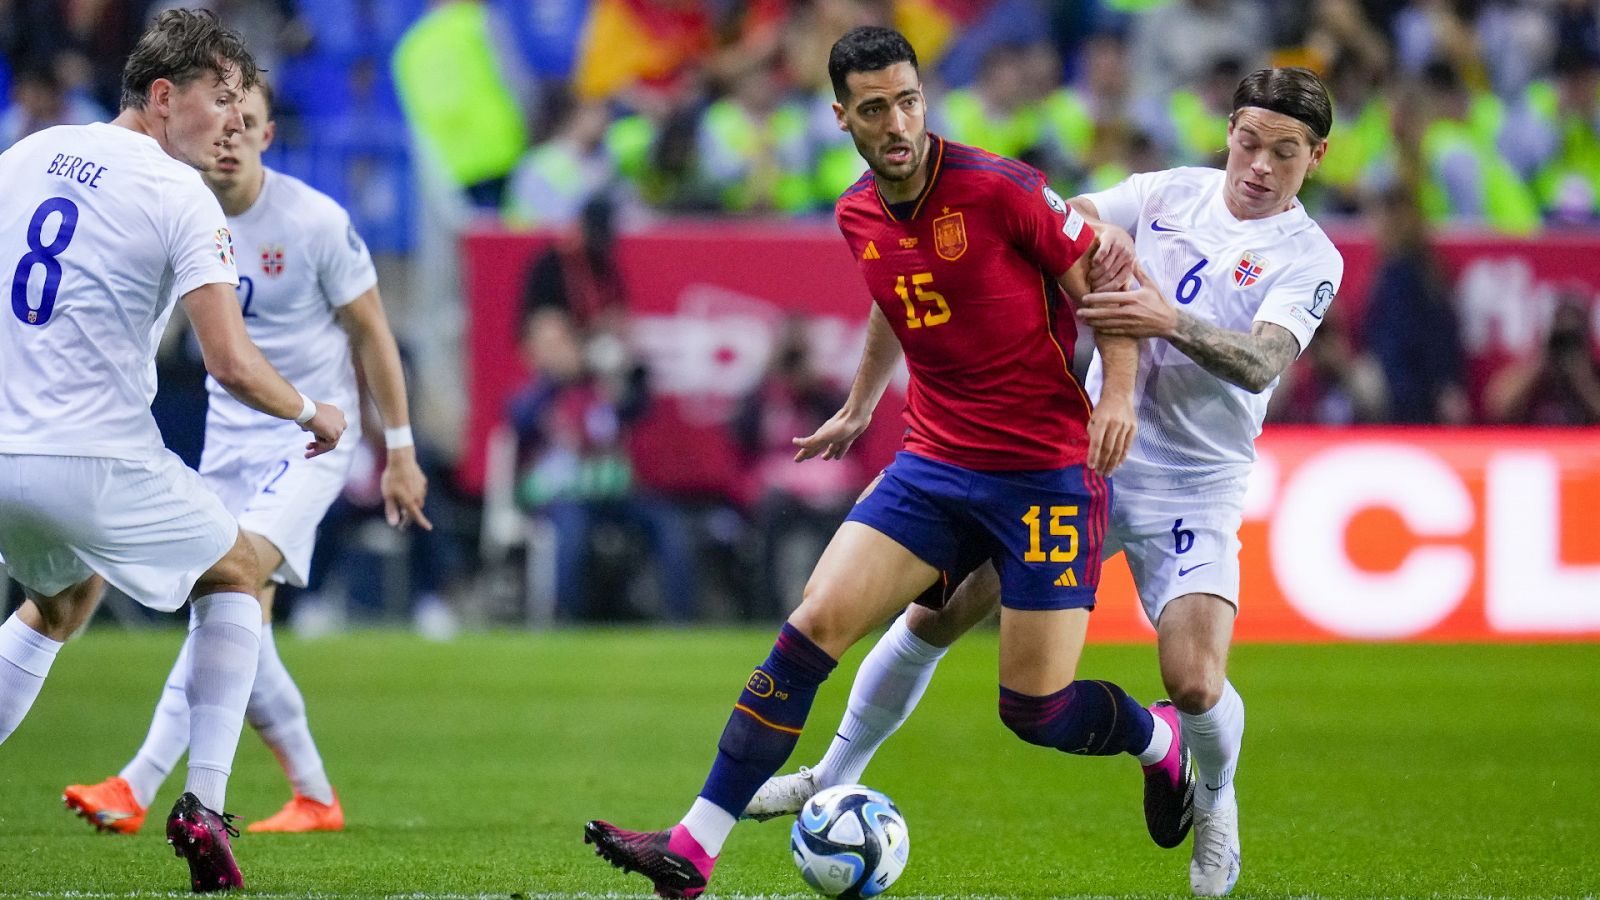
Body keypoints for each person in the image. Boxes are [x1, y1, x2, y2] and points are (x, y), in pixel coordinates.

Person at [582, 26, 1192, 899]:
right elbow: (895, 295)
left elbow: (1107, 272)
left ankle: (1159, 741)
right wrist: (865, 401)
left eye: (908, 100)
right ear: (842, 118)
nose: (898, 122)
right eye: (875, 108)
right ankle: (692, 850)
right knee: (815, 621)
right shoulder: (857, 211)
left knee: (1035, 708)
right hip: (936, 461)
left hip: (1047, 471)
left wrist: (1121, 395)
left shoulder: (1001, 188)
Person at [746, 66, 1346, 898]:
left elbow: (1263, 362)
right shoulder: (1170, 192)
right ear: (1231, 132)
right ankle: (830, 772)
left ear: (1313, 157)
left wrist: (1163, 317)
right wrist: (1092, 234)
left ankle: (1214, 797)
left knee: (1196, 683)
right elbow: (1063, 220)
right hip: (1087, 456)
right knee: (938, 611)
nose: (1259, 166)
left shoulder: (1312, 257)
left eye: (1284, 153)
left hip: (1197, 483)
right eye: (1249, 142)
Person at [0, 10, 346, 892]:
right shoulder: (178, 193)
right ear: (162, 97)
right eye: (219, 100)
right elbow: (229, 364)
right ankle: (204, 802)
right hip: (96, 457)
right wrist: (313, 410)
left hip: (6, 456)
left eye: (243, 106)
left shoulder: (28, 154)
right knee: (234, 573)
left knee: (61, 603)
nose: (235, 121)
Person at [59, 79, 429, 837]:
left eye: (247, 124)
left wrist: (400, 449)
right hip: (226, 444)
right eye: (220, 123)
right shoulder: (178, 214)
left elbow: (373, 336)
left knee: (228, 591)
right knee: (235, 617)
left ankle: (138, 782)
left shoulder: (315, 221)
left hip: (310, 440)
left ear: (265, 136)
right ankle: (316, 797)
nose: (229, 138)